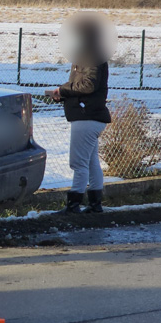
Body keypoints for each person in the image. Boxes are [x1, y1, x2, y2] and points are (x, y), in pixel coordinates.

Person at [46, 18, 111, 215]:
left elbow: (88, 85)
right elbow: (85, 85)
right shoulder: (93, 54)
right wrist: (63, 94)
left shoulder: (90, 55)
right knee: (91, 163)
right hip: (90, 116)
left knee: (78, 163)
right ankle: (95, 205)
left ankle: (73, 205)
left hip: (86, 117)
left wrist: (62, 90)